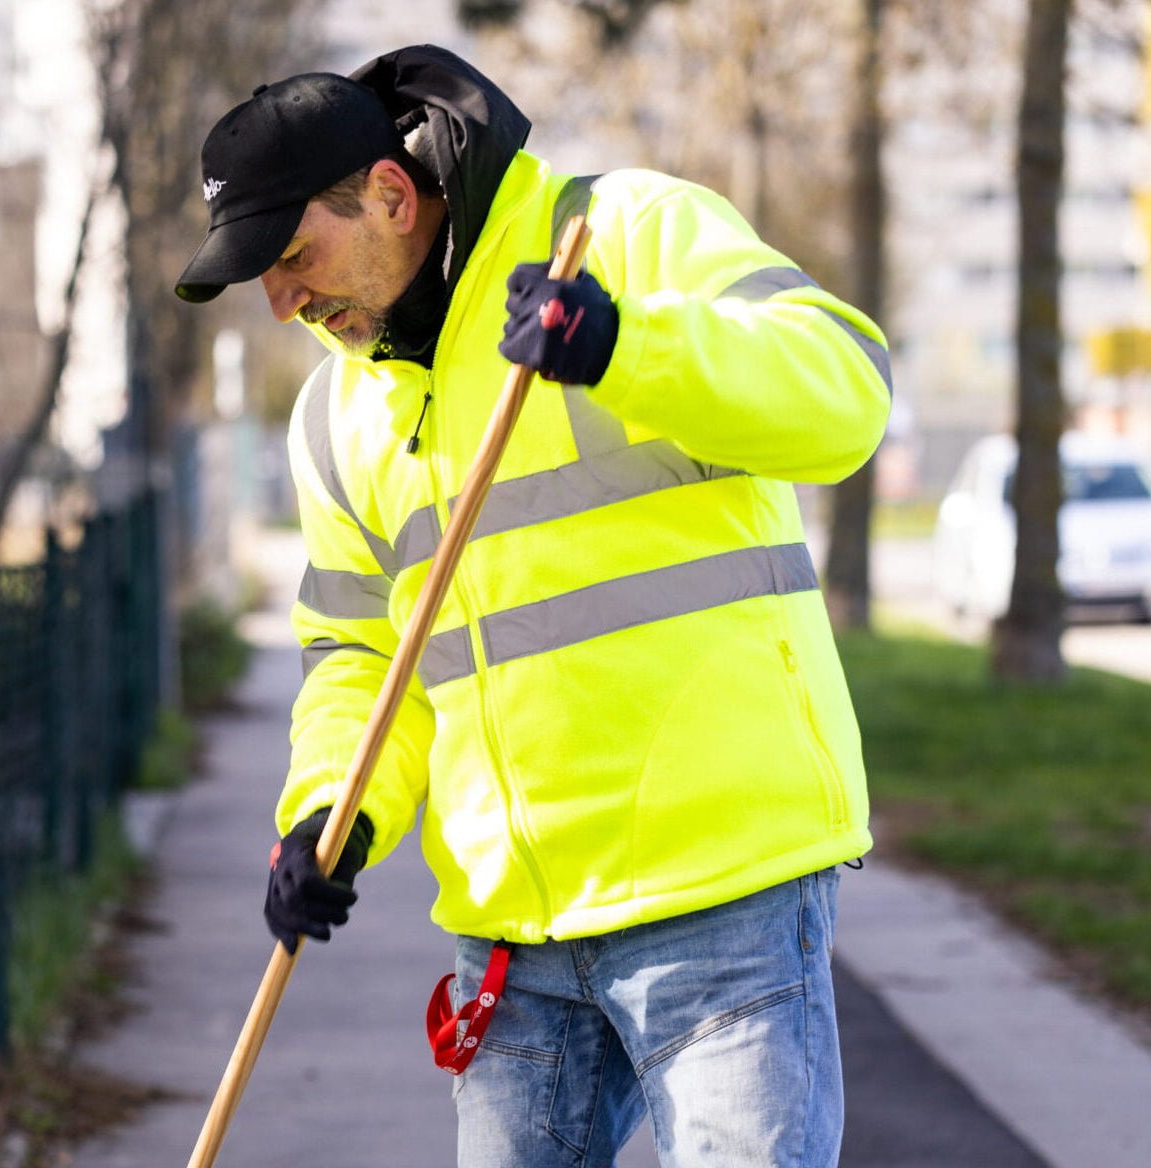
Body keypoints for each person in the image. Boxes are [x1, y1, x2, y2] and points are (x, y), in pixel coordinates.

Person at [173, 44, 890, 1168]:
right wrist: (330, 810)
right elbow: (362, 653)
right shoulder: (330, 420)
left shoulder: (626, 233)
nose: (281, 300)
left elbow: (845, 394)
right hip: (515, 932)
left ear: (391, 196)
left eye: (292, 254)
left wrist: (623, 342)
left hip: (724, 899)